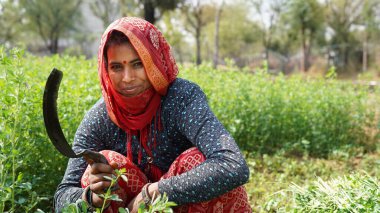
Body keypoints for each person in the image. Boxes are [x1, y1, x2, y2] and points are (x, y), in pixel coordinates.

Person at [54, 17, 252, 213]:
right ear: (105, 69)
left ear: (154, 62)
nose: (128, 78)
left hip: (183, 205)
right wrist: (90, 197)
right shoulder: (101, 116)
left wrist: (152, 193)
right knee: (100, 169)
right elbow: (62, 196)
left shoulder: (182, 98)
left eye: (137, 64)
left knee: (196, 160)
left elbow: (232, 165)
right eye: (116, 67)